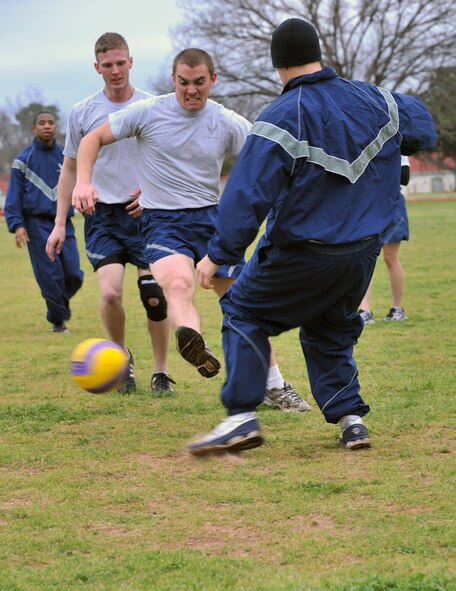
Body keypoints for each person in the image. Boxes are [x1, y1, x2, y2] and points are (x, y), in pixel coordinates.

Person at [190, 17, 436, 456]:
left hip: (304, 251)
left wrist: (218, 255)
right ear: (317, 52)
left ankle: (240, 418)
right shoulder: (379, 100)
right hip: (362, 254)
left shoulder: (281, 116)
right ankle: (351, 420)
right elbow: (422, 127)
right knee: (330, 330)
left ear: (277, 65)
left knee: (244, 313)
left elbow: (247, 195)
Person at [70, 47, 311, 412]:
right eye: (184, 83)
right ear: (173, 80)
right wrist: (83, 183)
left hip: (214, 221)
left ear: (212, 80)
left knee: (240, 305)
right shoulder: (149, 112)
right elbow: (91, 140)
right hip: (162, 222)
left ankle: (273, 384)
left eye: (199, 82)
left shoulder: (226, 121)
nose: (191, 91)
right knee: (177, 284)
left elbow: (269, 156)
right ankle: (193, 339)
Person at [45, 32, 172, 394]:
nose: (115, 71)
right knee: (111, 295)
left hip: (146, 215)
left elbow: (167, 160)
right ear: (96, 67)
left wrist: (152, 191)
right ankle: (120, 360)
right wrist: (58, 224)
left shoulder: (153, 105)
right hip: (102, 216)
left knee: (153, 294)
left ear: (131, 62)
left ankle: (161, 371)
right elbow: (69, 170)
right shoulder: (83, 112)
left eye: (121, 63)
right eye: (107, 65)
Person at [5, 111, 83, 333]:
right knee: (51, 275)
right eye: (42, 123)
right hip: (36, 225)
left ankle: (56, 307)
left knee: (74, 275)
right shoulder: (23, 160)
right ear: (34, 128)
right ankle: (59, 321)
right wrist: (17, 224)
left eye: (51, 122)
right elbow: (14, 196)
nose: (47, 126)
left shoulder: (66, 155)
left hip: (64, 224)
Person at [359, 156, 411, 324]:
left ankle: (397, 309)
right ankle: (365, 310)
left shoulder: (399, 146)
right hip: (367, 204)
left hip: (392, 203)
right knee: (364, 259)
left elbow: (405, 177)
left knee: (390, 258)